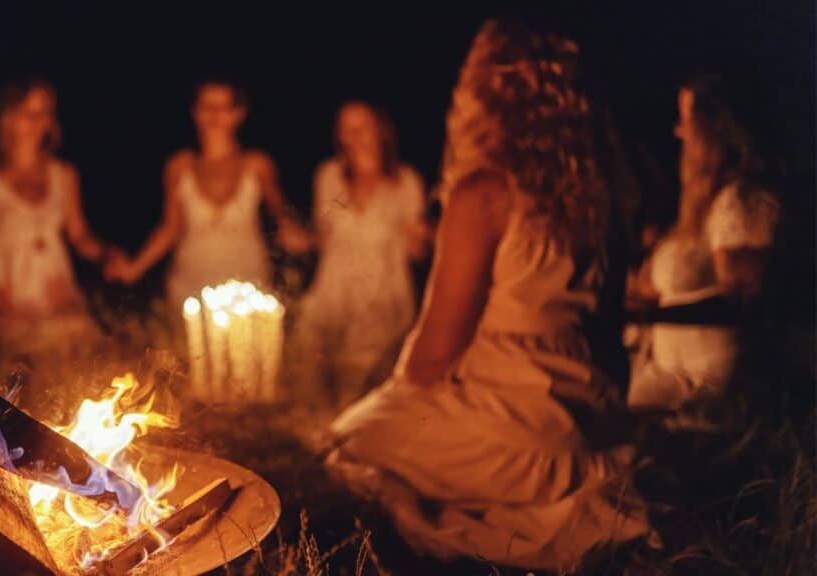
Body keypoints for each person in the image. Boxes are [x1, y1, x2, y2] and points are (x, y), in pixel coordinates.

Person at [325, 19, 648, 570]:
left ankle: (433, 521)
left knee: (343, 444)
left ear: (484, 91)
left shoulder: (485, 193)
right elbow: (610, 324)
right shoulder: (605, 193)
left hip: (506, 421)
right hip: (583, 413)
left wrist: (390, 396)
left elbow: (432, 358)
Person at [626, 77, 779, 411]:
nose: (677, 131)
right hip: (666, 367)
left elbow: (739, 300)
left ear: (713, 127)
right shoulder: (695, 209)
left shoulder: (739, 202)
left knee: (602, 407)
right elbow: (667, 288)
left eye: (686, 119)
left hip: (700, 376)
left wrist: (654, 314)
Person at [106, 79, 311, 307]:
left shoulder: (257, 164)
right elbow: (170, 229)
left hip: (247, 279)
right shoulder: (179, 166)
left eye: (223, 107)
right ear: (195, 112)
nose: (215, 115)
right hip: (189, 281)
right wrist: (134, 268)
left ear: (239, 113)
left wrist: (294, 231)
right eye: (207, 107)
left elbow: (279, 212)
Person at [0, 79, 112, 357]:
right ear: (8, 118)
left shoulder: (63, 174)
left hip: (55, 289)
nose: (39, 122)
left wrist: (106, 255)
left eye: (45, 113)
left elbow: (78, 234)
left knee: (81, 355)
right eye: (30, 114)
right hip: (9, 291)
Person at [290, 101, 427, 407]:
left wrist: (423, 234)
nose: (354, 135)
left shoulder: (405, 182)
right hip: (334, 290)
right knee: (318, 376)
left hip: (382, 295)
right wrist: (300, 240)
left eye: (361, 126)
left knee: (363, 387)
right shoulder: (329, 176)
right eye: (346, 128)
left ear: (380, 130)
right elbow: (325, 237)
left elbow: (416, 252)